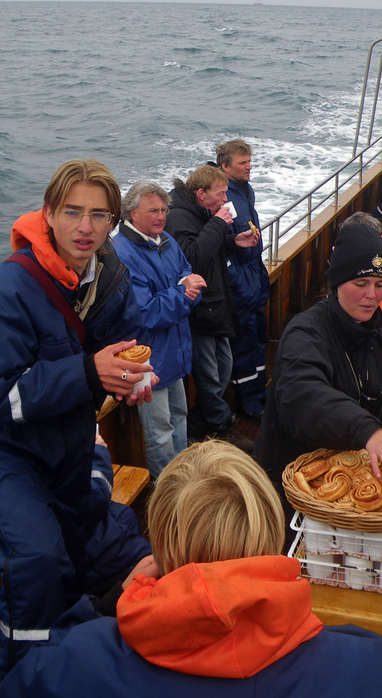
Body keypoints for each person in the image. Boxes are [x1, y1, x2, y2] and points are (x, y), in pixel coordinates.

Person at [0, 440, 382, 698]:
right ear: (270, 534)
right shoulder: (370, 673)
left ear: (160, 547)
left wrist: (108, 605)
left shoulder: (72, 663)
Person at [0, 159, 154, 676]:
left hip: (68, 441)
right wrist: (89, 374)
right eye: (72, 212)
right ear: (48, 214)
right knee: (39, 562)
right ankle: (30, 680)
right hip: (3, 448)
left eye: (99, 215)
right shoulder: (3, 291)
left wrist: (137, 377)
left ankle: (106, 647)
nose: (85, 228)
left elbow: (124, 346)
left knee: (130, 545)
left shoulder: (110, 280)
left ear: (114, 222)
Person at [254, 223, 382, 530]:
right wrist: (367, 430)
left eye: (379, 283)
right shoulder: (305, 331)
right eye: (360, 283)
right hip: (293, 484)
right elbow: (302, 395)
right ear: (337, 281)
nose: (371, 295)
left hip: (351, 488)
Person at [112, 181, 206, 479]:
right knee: (160, 432)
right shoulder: (122, 252)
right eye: (153, 210)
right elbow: (147, 312)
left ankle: (184, 479)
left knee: (179, 417)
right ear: (132, 213)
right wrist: (183, 292)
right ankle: (168, 491)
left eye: (164, 209)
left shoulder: (166, 240)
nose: (161, 216)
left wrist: (185, 290)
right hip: (147, 358)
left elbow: (193, 281)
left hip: (175, 351)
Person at [165, 165, 260, 442]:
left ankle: (199, 423)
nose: (224, 200)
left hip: (215, 304)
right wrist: (219, 223)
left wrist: (233, 241)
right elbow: (192, 256)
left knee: (223, 367)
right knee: (209, 374)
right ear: (200, 194)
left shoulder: (202, 211)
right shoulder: (179, 217)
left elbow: (211, 246)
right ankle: (220, 425)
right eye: (219, 194)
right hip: (198, 309)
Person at [217, 139, 271, 420]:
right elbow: (218, 245)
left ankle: (261, 390)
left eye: (250, 161)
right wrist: (239, 281)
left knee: (258, 336)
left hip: (254, 276)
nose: (250, 166)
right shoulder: (221, 197)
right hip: (240, 284)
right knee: (243, 342)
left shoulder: (244, 190)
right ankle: (249, 402)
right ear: (225, 167)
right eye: (243, 163)